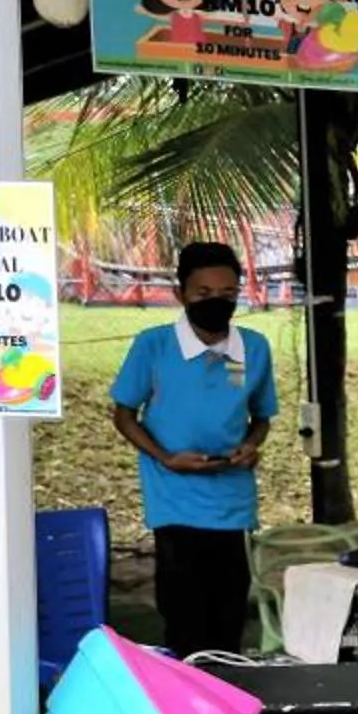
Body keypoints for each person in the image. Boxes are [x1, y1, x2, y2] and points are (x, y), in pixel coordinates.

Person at [110, 240, 275, 658]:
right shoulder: (154, 346)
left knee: (229, 621)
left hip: (233, 503)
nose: (216, 302)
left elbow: (262, 419)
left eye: (227, 294)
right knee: (183, 618)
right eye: (203, 294)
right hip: (175, 501)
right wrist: (166, 457)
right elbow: (125, 415)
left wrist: (250, 447)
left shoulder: (252, 349)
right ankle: (182, 710)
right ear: (180, 293)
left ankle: (224, 709)